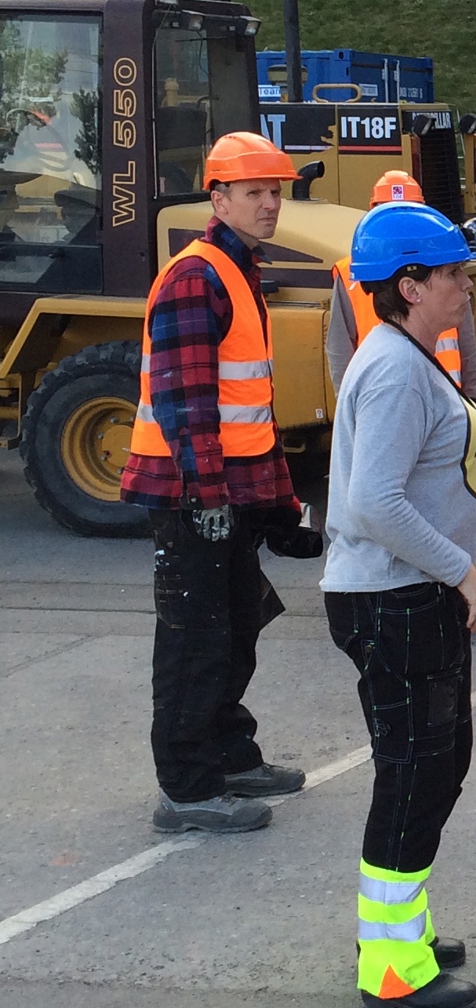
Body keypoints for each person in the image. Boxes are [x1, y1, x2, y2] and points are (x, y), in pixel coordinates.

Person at [322, 202, 476, 1008]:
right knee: (415, 773)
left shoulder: (407, 355)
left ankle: (400, 932)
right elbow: (374, 501)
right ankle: (390, 966)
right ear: (411, 285)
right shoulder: (394, 368)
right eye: (453, 272)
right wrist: (460, 569)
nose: (467, 285)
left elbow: (424, 473)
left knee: (437, 765)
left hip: (407, 592)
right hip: (394, 599)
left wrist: (473, 534)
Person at [121, 131, 314, 835]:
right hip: (192, 494)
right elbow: (186, 401)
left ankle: (228, 755)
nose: (269, 204)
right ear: (219, 197)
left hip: (224, 491)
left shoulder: (235, 270)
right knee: (195, 640)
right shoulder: (196, 276)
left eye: (275, 192)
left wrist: (279, 504)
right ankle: (188, 788)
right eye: (254, 192)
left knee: (235, 626)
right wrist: (206, 495)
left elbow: (249, 406)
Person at [329, 170, 476, 393]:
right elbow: (340, 348)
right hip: (388, 387)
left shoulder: (441, 264)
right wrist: (349, 397)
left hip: (445, 395)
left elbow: (465, 341)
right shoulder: (350, 271)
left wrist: (471, 397)